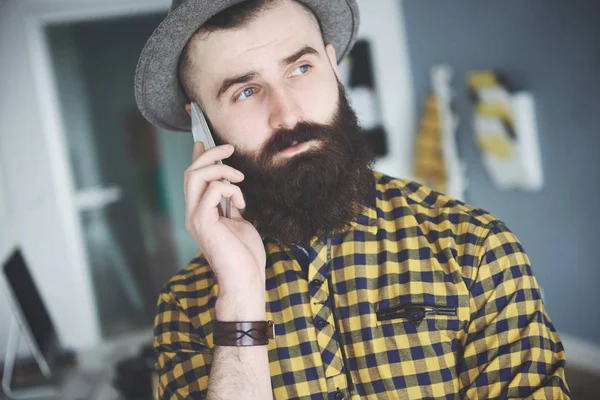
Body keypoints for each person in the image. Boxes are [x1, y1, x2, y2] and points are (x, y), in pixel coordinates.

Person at [134, 0, 570, 398]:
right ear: (202, 126)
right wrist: (240, 299)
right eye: (245, 91)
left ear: (333, 67)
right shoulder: (187, 306)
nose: (288, 113)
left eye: (300, 69)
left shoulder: (475, 246)